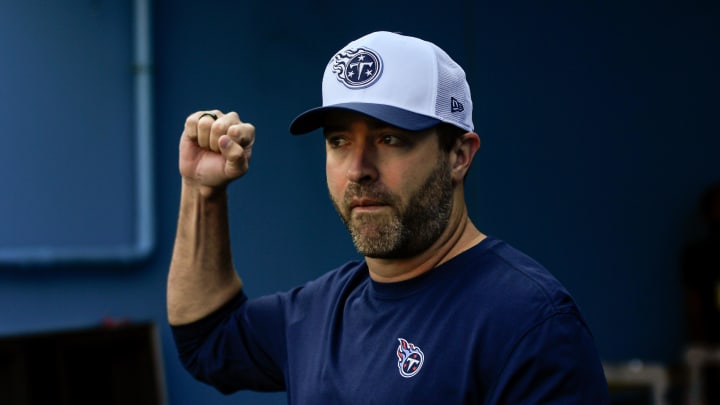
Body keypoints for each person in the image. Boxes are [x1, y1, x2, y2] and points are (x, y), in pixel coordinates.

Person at [168, 31, 610, 403]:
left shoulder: (529, 324)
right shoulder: (321, 312)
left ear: (458, 155)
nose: (358, 168)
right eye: (339, 141)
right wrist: (202, 191)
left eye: (390, 139)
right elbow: (207, 339)